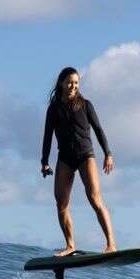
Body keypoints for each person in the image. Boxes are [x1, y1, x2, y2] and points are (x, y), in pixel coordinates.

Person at [40, 67, 117, 256]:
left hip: (85, 155)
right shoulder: (54, 109)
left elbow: (99, 129)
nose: (73, 86)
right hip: (65, 158)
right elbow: (47, 136)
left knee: (94, 198)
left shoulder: (86, 105)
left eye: (76, 82)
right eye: (69, 82)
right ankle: (70, 245)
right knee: (61, 202)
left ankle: (111, 244)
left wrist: (108, 153)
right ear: (61, 83)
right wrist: (44, 161)